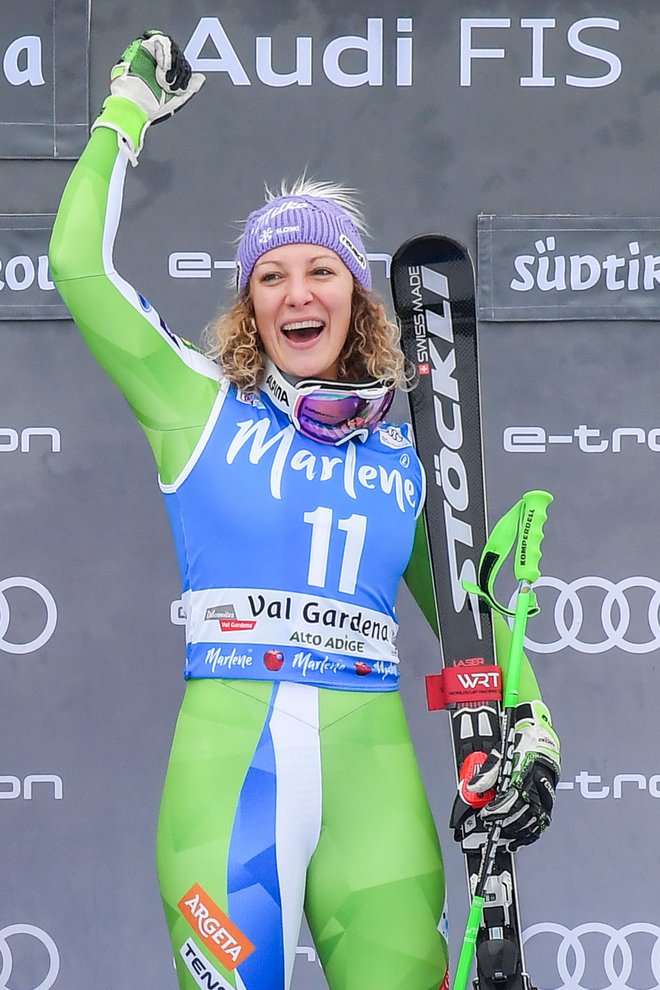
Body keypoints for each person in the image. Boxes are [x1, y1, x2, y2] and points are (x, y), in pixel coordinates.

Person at [49, 31, 561, 990]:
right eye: (271, 275)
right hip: (230, 788)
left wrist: (532, 731)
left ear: (355, 299)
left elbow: (473, 624)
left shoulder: (407, 455)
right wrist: (127, 110)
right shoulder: (196, 407)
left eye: (321, 271)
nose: (297, 291)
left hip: (374, 788)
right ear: (249, 306)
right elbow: (78, 266)